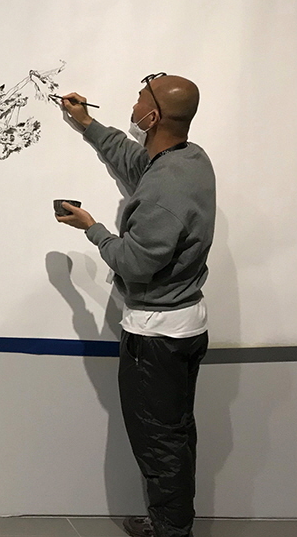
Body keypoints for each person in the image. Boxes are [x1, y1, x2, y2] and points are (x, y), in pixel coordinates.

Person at [55, 74, 216, 537]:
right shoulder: (189, 159)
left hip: (156, 337)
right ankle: (172, 522)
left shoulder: (165, 192)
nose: (134, 101)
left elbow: (134, 262)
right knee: (174, 434)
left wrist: (92, 228)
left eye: (142, 97)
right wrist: (87, 123)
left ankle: (169, 531)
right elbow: (136, 164)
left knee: (158, 442)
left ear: (153, 116)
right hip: (182, 327)